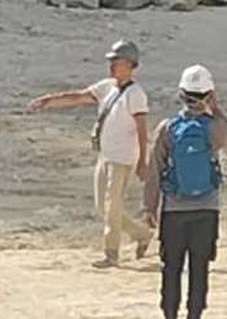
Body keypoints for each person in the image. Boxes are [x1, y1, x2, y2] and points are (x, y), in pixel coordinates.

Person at [28, 40, 153, 268]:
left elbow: (142, 129)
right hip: (105, 155)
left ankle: (111, 253)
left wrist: (143, 161)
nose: (111, 65)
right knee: (102, 207)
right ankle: (141, 233)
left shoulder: (136, 95)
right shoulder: (107, 87)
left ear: (129, 64)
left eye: (116, 61)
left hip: (122, 158)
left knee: (112, 206)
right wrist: (49, 100)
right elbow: (79, 96)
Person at [143, 65, 227, 319]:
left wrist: (150, 207)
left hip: (174, 209)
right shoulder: (214, 127)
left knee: (171, 268)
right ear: (209, 95)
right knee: (200, 267)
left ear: (181, 95)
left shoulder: (168, 128)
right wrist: (216, 109)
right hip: (207, 208)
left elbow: (154, 170)